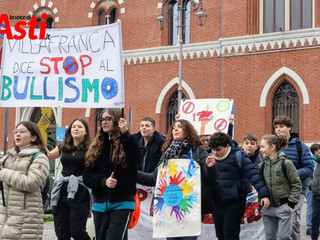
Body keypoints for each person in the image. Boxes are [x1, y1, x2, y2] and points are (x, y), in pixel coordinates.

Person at [138, 119, 220, 240]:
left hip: (190, 209)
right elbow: (154, 178)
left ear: (187, 131)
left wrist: (210, 167)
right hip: (171, 209)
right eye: (174, 127)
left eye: (179, 127)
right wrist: (131, 173)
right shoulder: (167, 153)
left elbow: (210, 179)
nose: (175, 129)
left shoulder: (198, 150)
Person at [83, 108, 140, 240]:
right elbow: (87, 176)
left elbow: (137, 158)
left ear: (117, 120)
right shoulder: (96, 147)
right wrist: (103, 181)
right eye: (102, 119)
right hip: (100, 204)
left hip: (122, 202)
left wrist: (125, 134)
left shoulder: (128, 142)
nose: (104, 122)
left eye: (108, 119)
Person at [206, 132, 270, 240]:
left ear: (227, 146)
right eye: (212, 150)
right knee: (220, 235)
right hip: (216, 203)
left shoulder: (239, 156)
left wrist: (264, 194)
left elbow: (254, 175)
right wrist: (208, 168)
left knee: (230, 233)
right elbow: (206, 180)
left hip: (234, 202)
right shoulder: (210, 158)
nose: (214, 153)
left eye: (218, 150)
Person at [0, 121, 50, 240]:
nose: (17, 134)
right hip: (5, 217)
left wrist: (3, 173)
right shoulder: (8, 156)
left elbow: (31, 183)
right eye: (15, 131)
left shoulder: (40, 157)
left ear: (33, 137)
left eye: (22, 132)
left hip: (26, 220)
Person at [48, 118, 92, 240]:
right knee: (61, 232)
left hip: (80, 192)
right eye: (73, 127)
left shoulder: (91, 149)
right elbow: (49, 156)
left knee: (77, 231)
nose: (76, 129)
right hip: (62, 190)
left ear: (86, 132)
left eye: (79, 127)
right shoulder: (63, 147)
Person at [273, 115, 314, 240]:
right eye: (276, 127)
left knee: (293, 224)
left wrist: (292, 174)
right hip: (276, 193)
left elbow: (309, 168)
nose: (278, 129)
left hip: (296, 192)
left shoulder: (300, 146)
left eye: (281, 126)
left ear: (289, 128)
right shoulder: (272, 146)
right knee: (279, 227)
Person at [258, 134, 302, 240]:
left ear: (272, 147)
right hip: (267, 209)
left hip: (283, 207)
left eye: (263, 147)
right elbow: (259, 184)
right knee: (269, 238)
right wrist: (260, 202)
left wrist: (290, 205)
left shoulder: (286, 164)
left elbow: (296, 184)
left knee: (284, 237)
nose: (261, 150)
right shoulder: (262, 166)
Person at [310, 143, 320, 240]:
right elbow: (310, 175)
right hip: (316, 195)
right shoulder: (315, 162)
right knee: (315, 217)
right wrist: (311, 186)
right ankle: (314, 237)